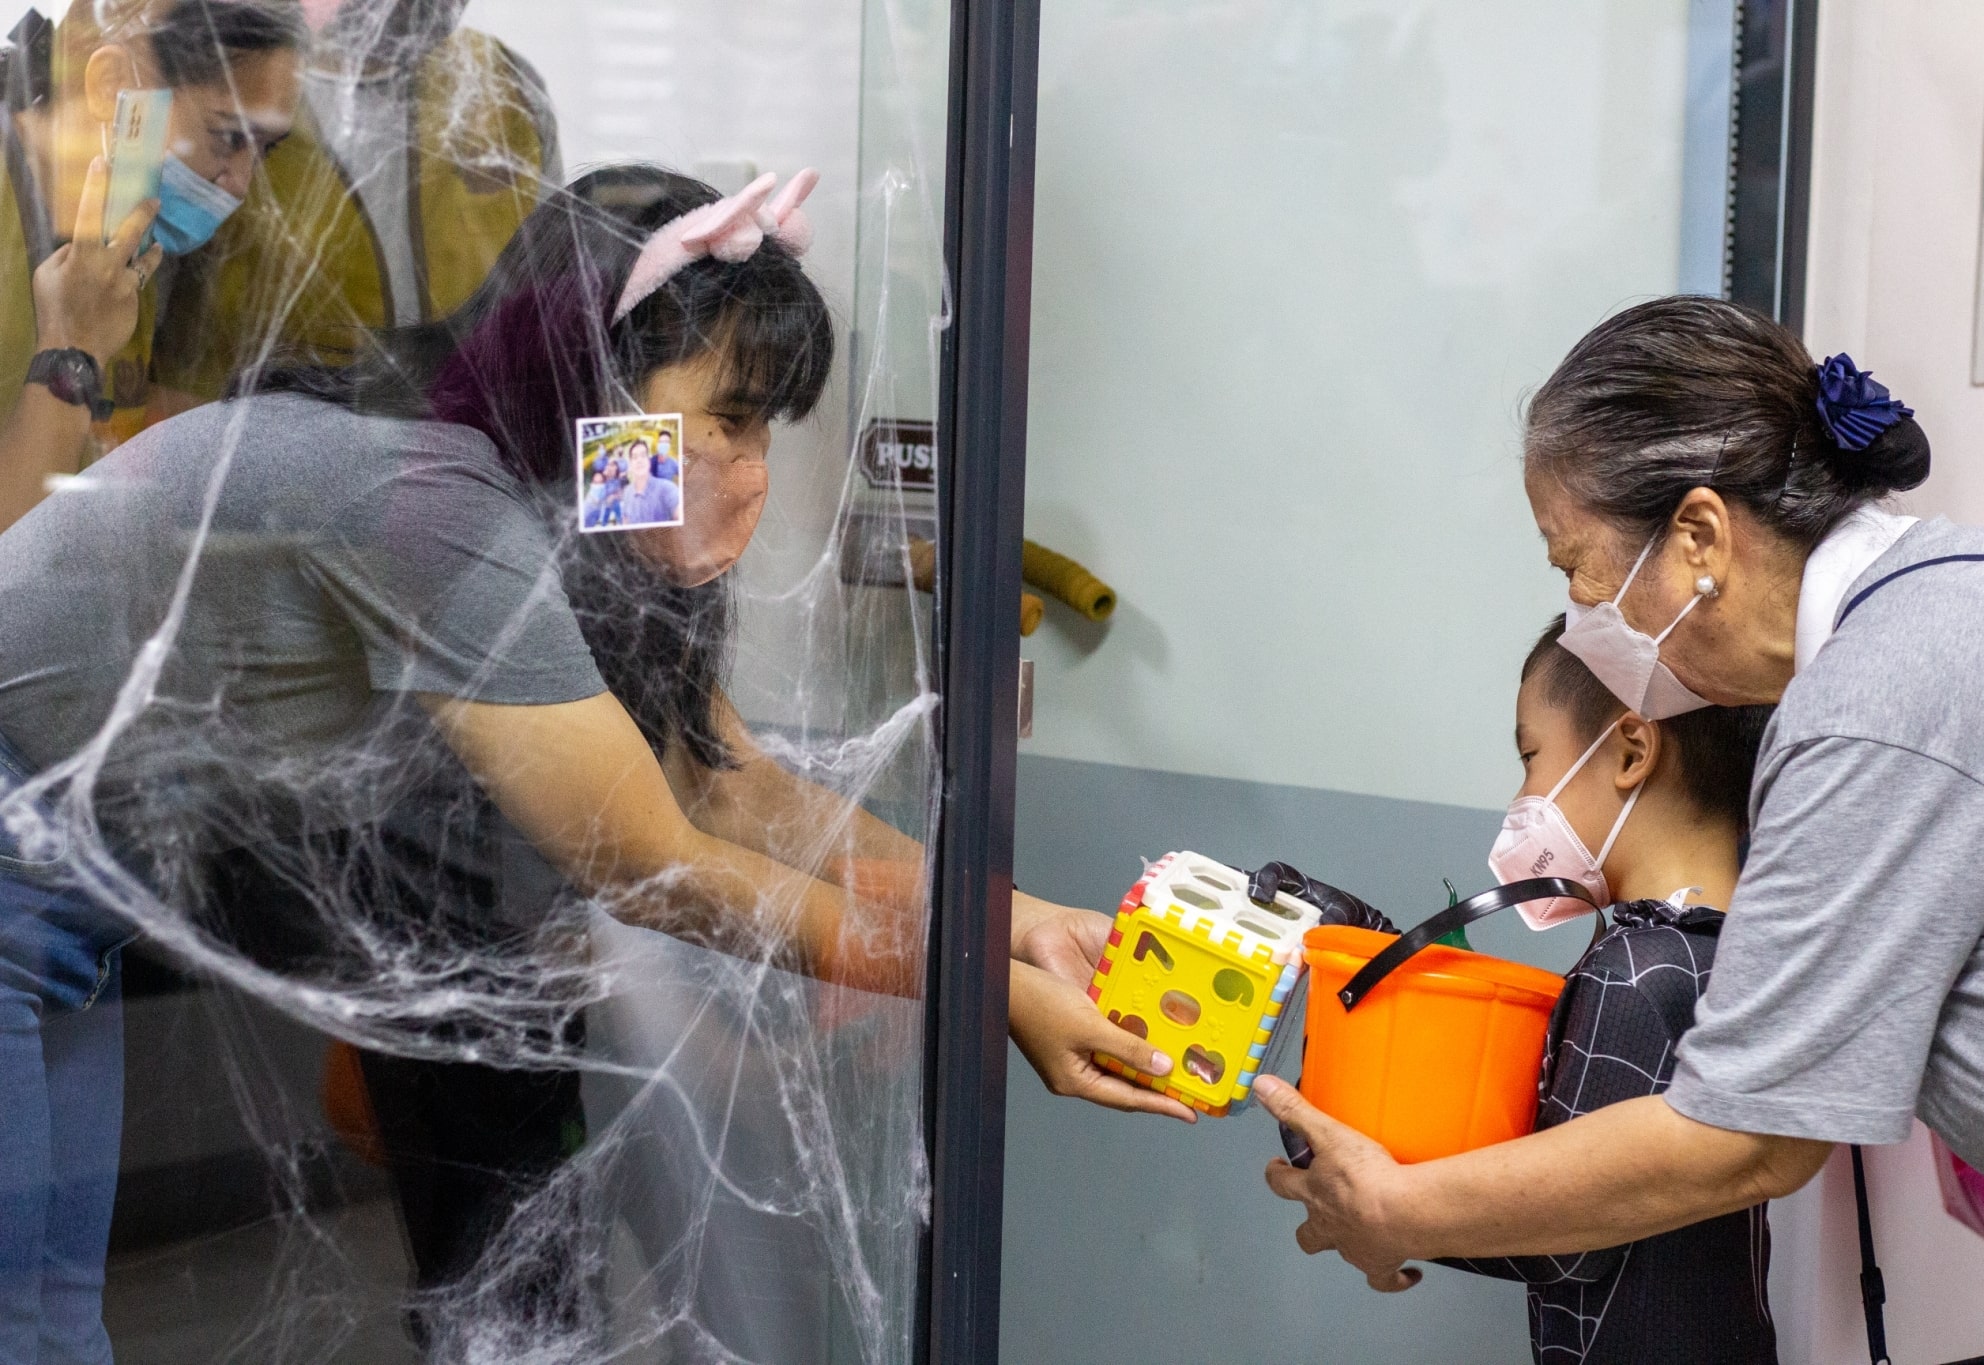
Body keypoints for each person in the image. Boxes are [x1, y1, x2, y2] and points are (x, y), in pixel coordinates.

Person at [0, 164, 1181, 1356]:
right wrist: (977, 983)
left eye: (768, 425)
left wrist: (1012, 919)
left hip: (63, 899)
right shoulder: (427, 504)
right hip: (18, 857)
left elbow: (722, 781)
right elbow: (647, 859)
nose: (754, 470)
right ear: (596, 381)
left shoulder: (511, 494)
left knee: (43, 1315)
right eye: (727, 417)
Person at [1257, 295, 1984, 1301]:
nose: (1581, 616)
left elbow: (1747, 1141)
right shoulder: (1956, 588)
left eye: (1577, 569)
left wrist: (1394, 1209)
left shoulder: (1872, 700)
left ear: (1700, 538)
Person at [1434, 616, 1776, 1363]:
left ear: (1630, 749)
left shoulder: (1632, 972)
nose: (1524, 792)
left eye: (1531, 755)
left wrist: (1377, 1205)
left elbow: (1564, 1241)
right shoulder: (1733, 953)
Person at [154, 0, 558, 397]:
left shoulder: (504, 92)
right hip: (228, 448)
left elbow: (556, 334)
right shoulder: (220, 66)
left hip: (460, 453)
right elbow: (121, 328)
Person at [0, 0, 301, 530]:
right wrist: (73, 348)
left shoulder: (124, 234)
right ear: (114, 86)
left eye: (266, 151)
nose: (242, 184)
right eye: (229, 138)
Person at [614, 436, 678, 526]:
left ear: (649, 461)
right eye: (635, 457)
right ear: (630, 464)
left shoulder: (667, 488)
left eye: (643, 456)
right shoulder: (627, 492)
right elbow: (626, 520)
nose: (639, 460)